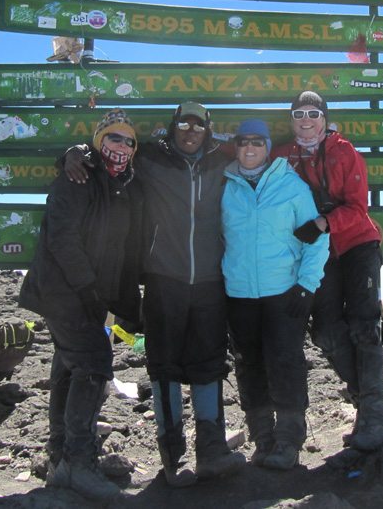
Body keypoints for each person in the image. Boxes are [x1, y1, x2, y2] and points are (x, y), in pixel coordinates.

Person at [62, 102, 244, 486]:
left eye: (198, 124)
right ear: (173, 127)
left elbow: (263, 152)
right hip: (164, 279)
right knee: (163, 367)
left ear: (207, 130)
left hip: (212, 280)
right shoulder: (151, 159)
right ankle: (173, 458)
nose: (190, 130)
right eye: (183, 123)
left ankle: (211, 451)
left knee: (210, 362)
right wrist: (72, 152)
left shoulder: (220, 162)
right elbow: (110, 156)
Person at [19, 108, 143, 502]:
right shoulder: (78, 177)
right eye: (113, 138)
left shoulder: (118, 181)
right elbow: (63, 238)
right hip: (65, 293)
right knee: (91, 364)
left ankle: (61, 459)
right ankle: (79, 463)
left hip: (87, 295)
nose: (120, 146)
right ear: (98, 140)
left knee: (70, 368)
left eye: (128, 141)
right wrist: (87, 289)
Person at [272, 91, 383, 451]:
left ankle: (374, 417)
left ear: (324, 118)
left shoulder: (345, 152)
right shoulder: (283, 156)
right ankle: (370, 408)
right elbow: (249, 156)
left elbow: (359, 208)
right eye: (298, 113)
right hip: (318, 253)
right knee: (325, 330)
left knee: (364, 327)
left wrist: (325, 222)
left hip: (357, 244)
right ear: (291, 118)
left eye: (313, 113)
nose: (305, 119)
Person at [221, 119, 328, 470]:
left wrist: (306, 286)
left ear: (268, 147)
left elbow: (317, 237)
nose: (249, 148)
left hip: (283, 292)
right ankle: (262, 439)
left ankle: (289, 441)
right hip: (238, 294)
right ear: (235, 146)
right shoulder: (226, 187)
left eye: (257, 142)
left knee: (285, 364)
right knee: (248, 366)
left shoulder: (291, 186)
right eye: (243, 142)